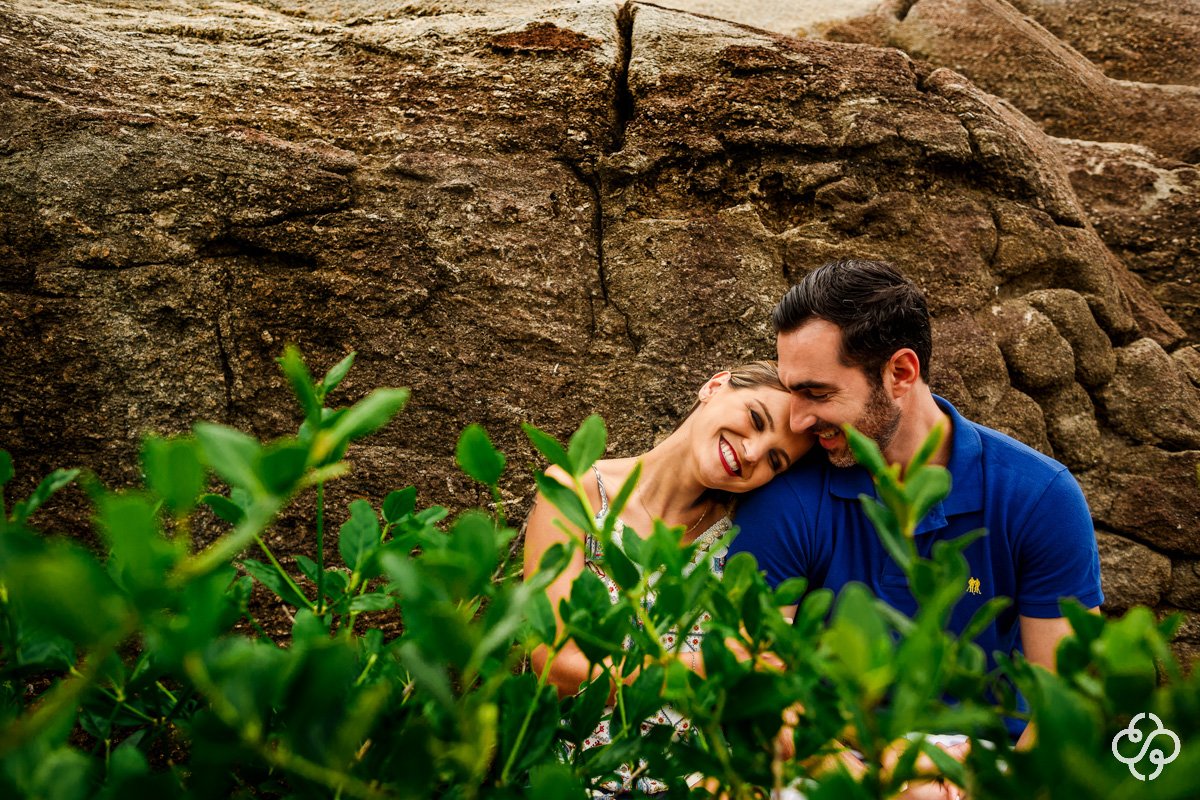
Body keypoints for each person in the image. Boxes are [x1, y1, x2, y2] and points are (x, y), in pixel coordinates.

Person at [728, 259, 1104, 754]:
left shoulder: (1038, 496)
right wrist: (877, 774)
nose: (796, 421)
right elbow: (749, 683)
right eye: (791, 391)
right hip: (830, 757)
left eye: (816, 393)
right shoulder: (787, 495)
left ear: (901, 372)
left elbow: (1070, 699)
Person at [522, 362, 813, 796]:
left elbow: (762, 678)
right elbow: (555, 666)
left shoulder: (743, 535)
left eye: (775, 460)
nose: (752, 453)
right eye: (755, 419)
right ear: (714, 385)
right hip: (582, 777)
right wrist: (704, 666)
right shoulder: (575, 491)